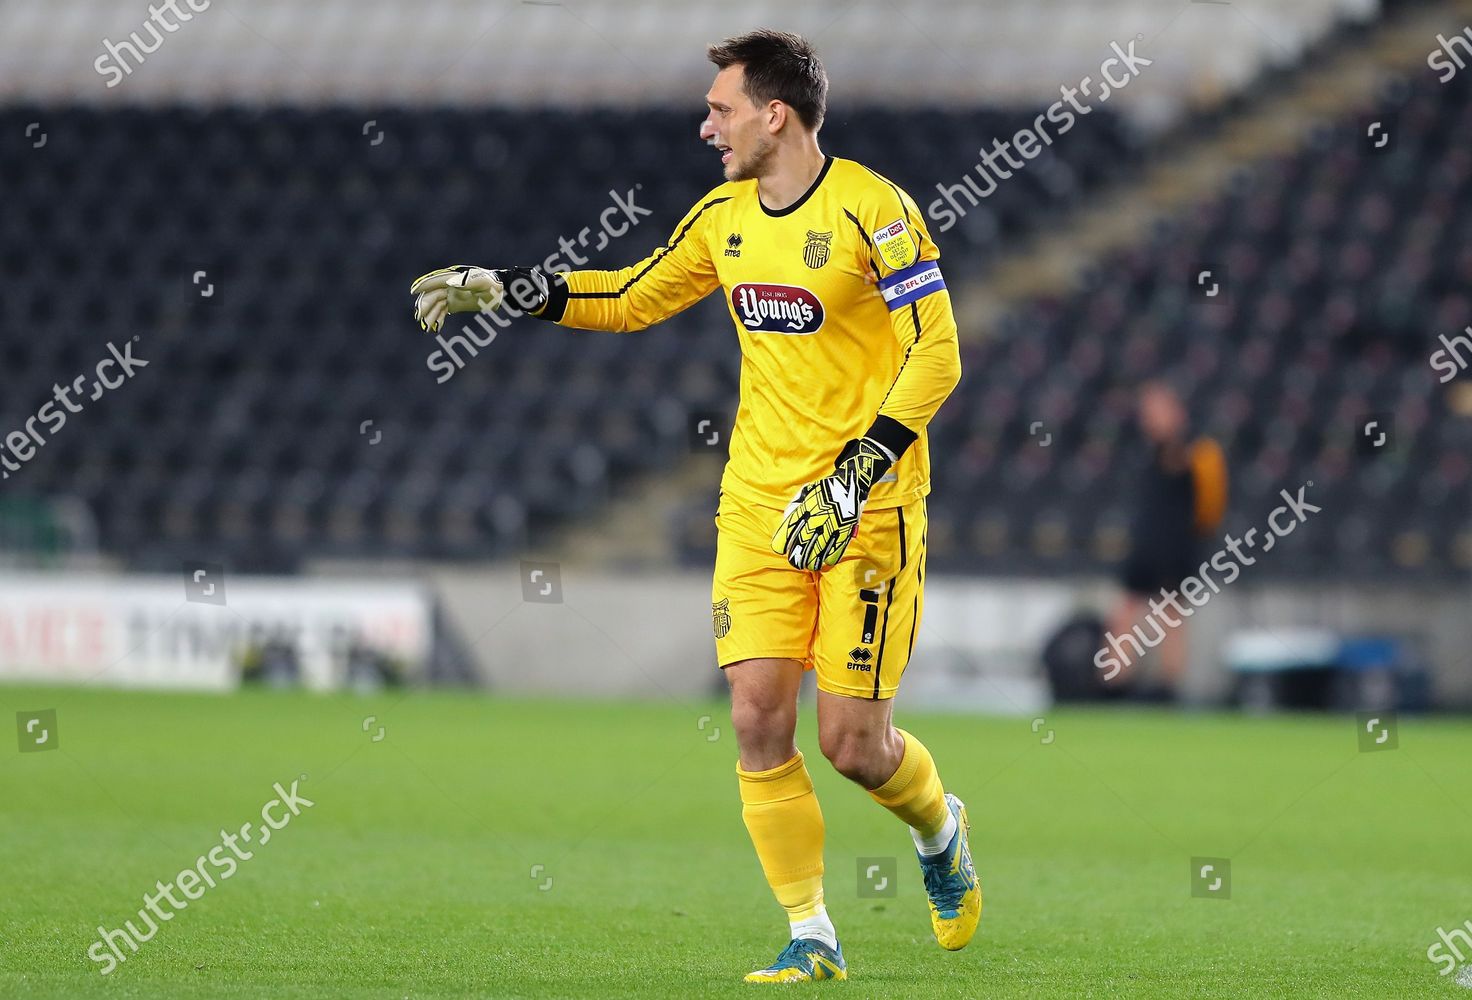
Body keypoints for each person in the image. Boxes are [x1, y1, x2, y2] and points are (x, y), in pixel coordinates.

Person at [409, 29, 974, 985]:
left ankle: (940, 830)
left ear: (773, 113)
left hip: (866, 509)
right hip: (757, 504)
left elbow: (938, 353)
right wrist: (508, 289)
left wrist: (856, 473)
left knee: (853, 746)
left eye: (720, 109)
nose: (704, 124)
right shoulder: (723, 218)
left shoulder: (876, 211)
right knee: (758, 717)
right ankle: (813, 934)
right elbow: (630, 296)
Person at [1108, 381, 1227, 699]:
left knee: (1170, 614)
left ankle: (1167, 686)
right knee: (1127, 609)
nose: (1150, 419)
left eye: (1156, 411)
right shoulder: (1146, 450)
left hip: (1177, 544)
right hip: (1147, 542)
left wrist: (1196, 537)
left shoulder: (1199, 450)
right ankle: (1115, 681)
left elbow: (1210, 504)